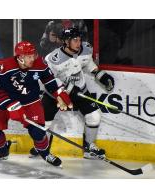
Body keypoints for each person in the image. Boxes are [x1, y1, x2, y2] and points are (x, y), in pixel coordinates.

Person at [30, 27, 115, 159]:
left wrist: (101, 75)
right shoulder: (53, 59)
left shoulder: (85, 49)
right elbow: (48, 78)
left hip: (80, 90)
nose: (79, 43)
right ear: (66, 41)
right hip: (55, 95)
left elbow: (88, 64)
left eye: (80, 39)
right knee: (45, 122)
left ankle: (89, 148)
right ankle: (41, 146)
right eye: (75, 40)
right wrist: (68, 89)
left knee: (94, 116)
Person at [0, 41, 73, 167]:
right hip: (8, 101)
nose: (33, 58)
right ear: (20, 57)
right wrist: (11, 106)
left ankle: (45, 153)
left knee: (38, 133)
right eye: (29, 56)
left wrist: (59, 93)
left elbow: (49, 80)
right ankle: (2, 151)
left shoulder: (40, 63)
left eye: (33, 55)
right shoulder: (6, 66)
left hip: (31, 102)